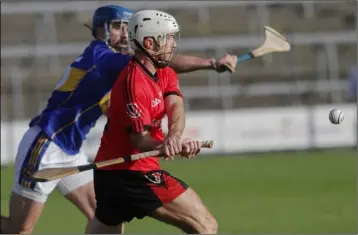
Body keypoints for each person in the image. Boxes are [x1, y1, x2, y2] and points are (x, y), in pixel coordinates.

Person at [0, 5, 236, 234]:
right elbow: (157, 59)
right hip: (46, 143)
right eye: (116, 26)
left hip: (71, 149)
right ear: (98, 30)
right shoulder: (101, 56)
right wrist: (212, 64)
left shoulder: (112, 70)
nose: (124, 33)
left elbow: (111, 108)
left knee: (99, 215)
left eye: (126, 26)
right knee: (18, 229)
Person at [89, 10, 218, 234]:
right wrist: (167, 144)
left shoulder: (163, 71)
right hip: (131, 172)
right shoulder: (134, 82)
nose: (172, 45)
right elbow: (140, 140)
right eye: (167, 38)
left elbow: (175, 104)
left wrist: (175, 137)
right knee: (205, 225)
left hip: (110, 172)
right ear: (149, 43)